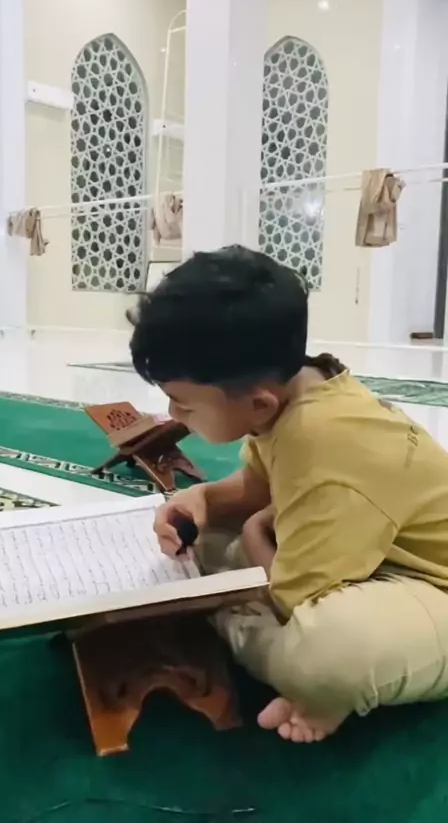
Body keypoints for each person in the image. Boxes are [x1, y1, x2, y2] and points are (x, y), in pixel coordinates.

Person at [130, 244, 448, 743]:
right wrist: (205, 500)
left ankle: (255, 642)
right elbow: (257, 487)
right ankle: (231, 609)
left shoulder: (323, 444)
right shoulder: (303, 385)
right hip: (369, 552)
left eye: (184, 405)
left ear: (259, 404)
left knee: (325, 655)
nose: (173, 416)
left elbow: (295, 598)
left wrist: (254, 534)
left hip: (431, 586)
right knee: (202, 537)